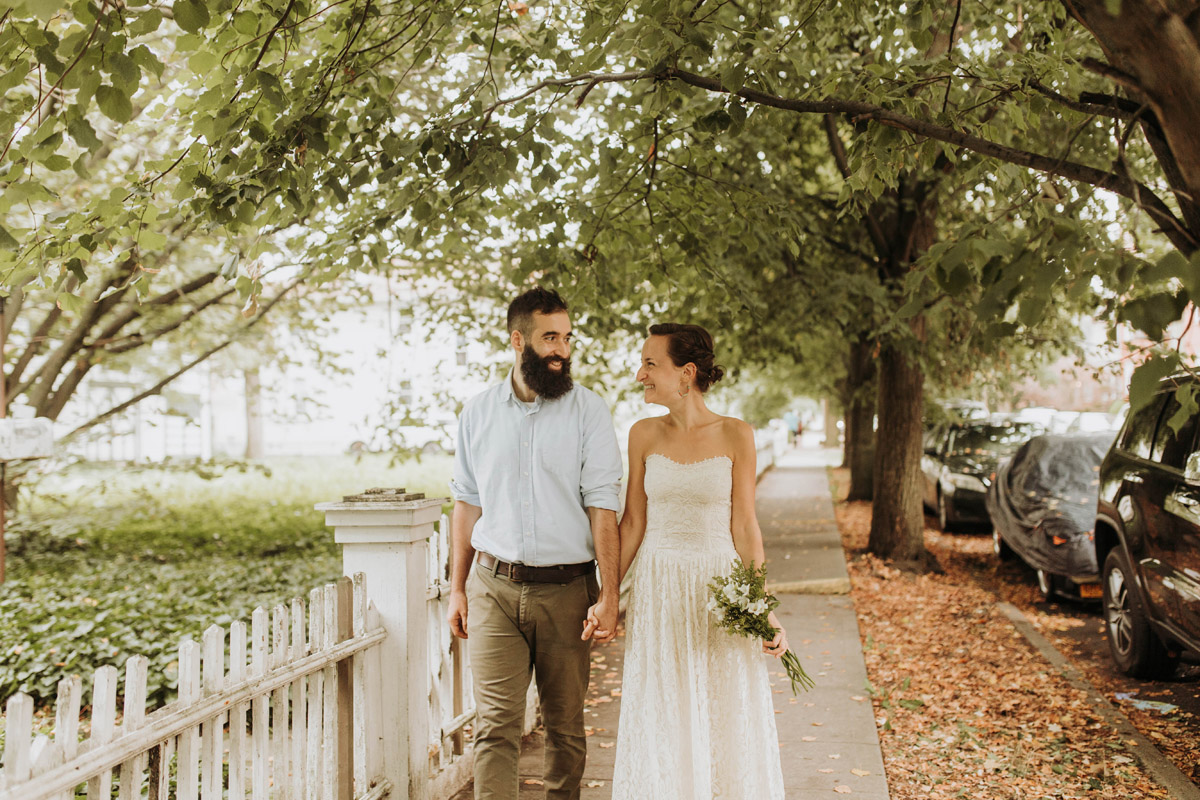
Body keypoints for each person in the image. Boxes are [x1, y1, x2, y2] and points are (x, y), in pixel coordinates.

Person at [446, 286, 623, 800]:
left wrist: (608, 596)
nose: (561, 350)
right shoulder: (476, 414)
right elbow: (467, 503)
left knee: (564, 728)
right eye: (550, 337)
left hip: (568, 590)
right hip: (493, 588)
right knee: (495, 725)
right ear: (518, 339)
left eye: (567, 338)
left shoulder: (588, 411)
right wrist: (457, 589)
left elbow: (603, 506)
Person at [610, 322, 787, 800]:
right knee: (662, 708)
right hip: (659, 590)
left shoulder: (737, 435)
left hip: (719, 592)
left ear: (686, 373)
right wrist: (607, 599)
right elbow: (633, 524)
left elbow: (745, 527)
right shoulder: (642, 434)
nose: (640, 373)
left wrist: (760, 607)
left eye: (650, 363)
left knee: (724, 710)